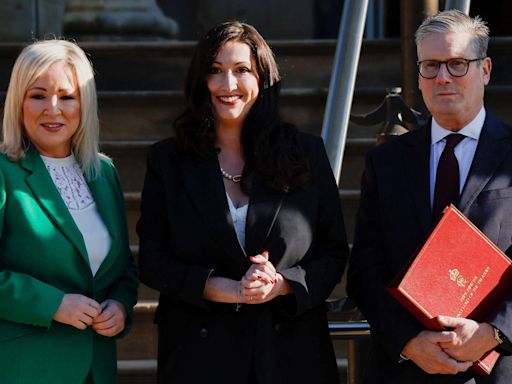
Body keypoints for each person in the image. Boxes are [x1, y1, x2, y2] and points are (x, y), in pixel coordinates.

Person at [137, 20, 348, 384]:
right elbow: (153, 261)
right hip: (198, 358)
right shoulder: (167, 161)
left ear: (262, 78)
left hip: (290, 355)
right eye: (215, 71)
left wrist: (281, 283)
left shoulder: (305, 153)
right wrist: (226, 289)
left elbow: (332, 252)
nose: (228, 85)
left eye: (242, 70)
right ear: (200, 80)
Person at [347, 9, 512, 384]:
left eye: (457, 64)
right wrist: (408, 341)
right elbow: (364, 270)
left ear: (485, 70)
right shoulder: (385, 163)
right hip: (404, 371)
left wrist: (492, 333)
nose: (442, 78)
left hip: (497, 370)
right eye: (431, 65)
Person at [0, 39, 138, 384]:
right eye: (37, 95)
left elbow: (123, 270)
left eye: (67, 96)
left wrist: (120, 307)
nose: (53, 108)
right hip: (26, 367)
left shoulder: (104, 173)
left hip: (97, 367)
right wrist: (52, 304)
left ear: (84, 103)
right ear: (18, 102)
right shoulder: (4, 171)